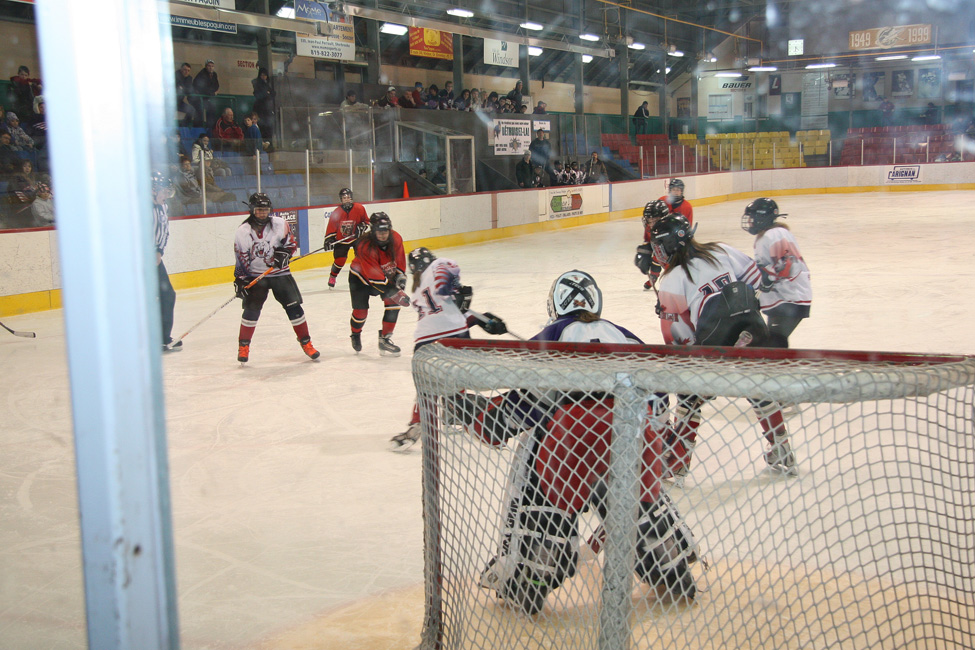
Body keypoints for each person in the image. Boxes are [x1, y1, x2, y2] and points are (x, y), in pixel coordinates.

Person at [446, 270, 700, 614]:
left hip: (570, 441)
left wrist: (483, 418)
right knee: (642, 508)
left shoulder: (552, 335)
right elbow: (657, 401)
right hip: (633, 439)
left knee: (536, 472)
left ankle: (529, 578)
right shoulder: (625, 335)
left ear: (555, 305)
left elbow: (525, 407)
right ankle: (673, 568)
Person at [649, 214, 796, 478]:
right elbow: (756, 280)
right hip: (753, 325)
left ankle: (678, 463)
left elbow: (676, 338)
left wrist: (694, 369)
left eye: (659, 246)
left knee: (689, 398)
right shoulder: (720, 251)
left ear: (670, 245)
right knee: (758, 390)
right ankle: (781, 448)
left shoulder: (673, 279)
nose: (657, 253)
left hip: (714, 339)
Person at [388, 247, 508, 451]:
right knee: (456, 379)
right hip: (454, 339)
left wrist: (481, 318)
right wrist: (485, 320)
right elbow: (454, 312)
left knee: (428, 388)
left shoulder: (417, 291)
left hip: (424, 345)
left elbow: (445, 315)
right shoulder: (437, 270)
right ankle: (471, 417)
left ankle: (419, 423)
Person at [233, 193, 320, 363]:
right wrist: (241, 279)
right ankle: (243, 346)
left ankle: (306, 343)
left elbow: (291, 244)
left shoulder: (280, 224)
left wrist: (285, 253)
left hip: (281, 274)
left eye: (265, 210)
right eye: (259, 210)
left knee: (294, 308)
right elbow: (241, 257)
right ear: (252, 210)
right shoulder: (243, 231)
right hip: (257, 276)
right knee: (251, 310)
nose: (262, 213)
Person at [741, 198, 811, 348]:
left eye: (752, 218)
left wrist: (768, 278)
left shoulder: (775, 234)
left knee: (774, 342)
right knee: (772, 341)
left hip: (790, 297)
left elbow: (788, 264)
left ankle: (781, 363)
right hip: (782, 298)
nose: (750, 222)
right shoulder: (766, 235)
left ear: (762, 217)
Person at [348, 212, 409, 355]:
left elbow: (400, 261)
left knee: (394, 304)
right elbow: (376, 278)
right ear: (373, 231)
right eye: (379, 232)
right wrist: (395, 292)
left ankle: (384, 340)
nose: (383, 235)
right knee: (361, 313)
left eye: (385, 231)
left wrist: (400, 280)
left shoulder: (396, 238)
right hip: (360, 279)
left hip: (384, 275)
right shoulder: (365, 246)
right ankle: (355, 333)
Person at [152, 172, 180, 352]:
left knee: (167, 295)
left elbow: (164, 231)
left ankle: (163, 338)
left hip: (154, 259)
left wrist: (159, 251)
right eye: (164, 191)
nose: (166, 195)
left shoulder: (163, 207)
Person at [323, 187, 369, 288]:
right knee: (340, 260)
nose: (347, 199)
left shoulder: (359, 208)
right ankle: (333, 276)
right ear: (341, 199)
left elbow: (366, 221)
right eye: (344, 198)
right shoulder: (337, 212)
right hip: (342, 240)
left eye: (348, 197)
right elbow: (331, 229)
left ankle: (363, 277)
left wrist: (361, 227)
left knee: (362, 256)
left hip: (356, 238)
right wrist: (329, 240)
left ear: (351, 198)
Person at [193, 60, 220, 126]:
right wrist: (212, 93)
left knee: (211, 111)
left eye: (212, 66)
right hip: (199, 98)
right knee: (199, 112)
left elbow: (216, 85)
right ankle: (198, 128)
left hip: (208, 98)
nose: (211, 68)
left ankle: (210, 128)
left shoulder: (214, 74)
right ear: (206, 67)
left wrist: (213, 92)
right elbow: (202, 88)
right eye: (209, 66)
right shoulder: (202, 74)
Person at [251, 67, 275, 140]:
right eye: (262, 75)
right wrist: (267, 93)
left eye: (265, 75)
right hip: (260, 109)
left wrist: (267, 93)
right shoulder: (257, 83)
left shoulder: (267, 84)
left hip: (267, 109)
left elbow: (273, 93)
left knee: (269, 127)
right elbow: (260, 94)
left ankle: (268, 141)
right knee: (262, 127)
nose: (264, 77)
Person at [175, 62, 197, 127]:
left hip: (179, 102)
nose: (186, 72)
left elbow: (189, 90)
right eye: (185, 70)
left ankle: (184, 126)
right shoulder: (175, 76)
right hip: (171, 102)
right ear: (181, 69)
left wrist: (182, 88)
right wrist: (184, 89)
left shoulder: (189, 78)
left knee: (191, 110)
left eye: (188, 70)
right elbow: (176, 88)